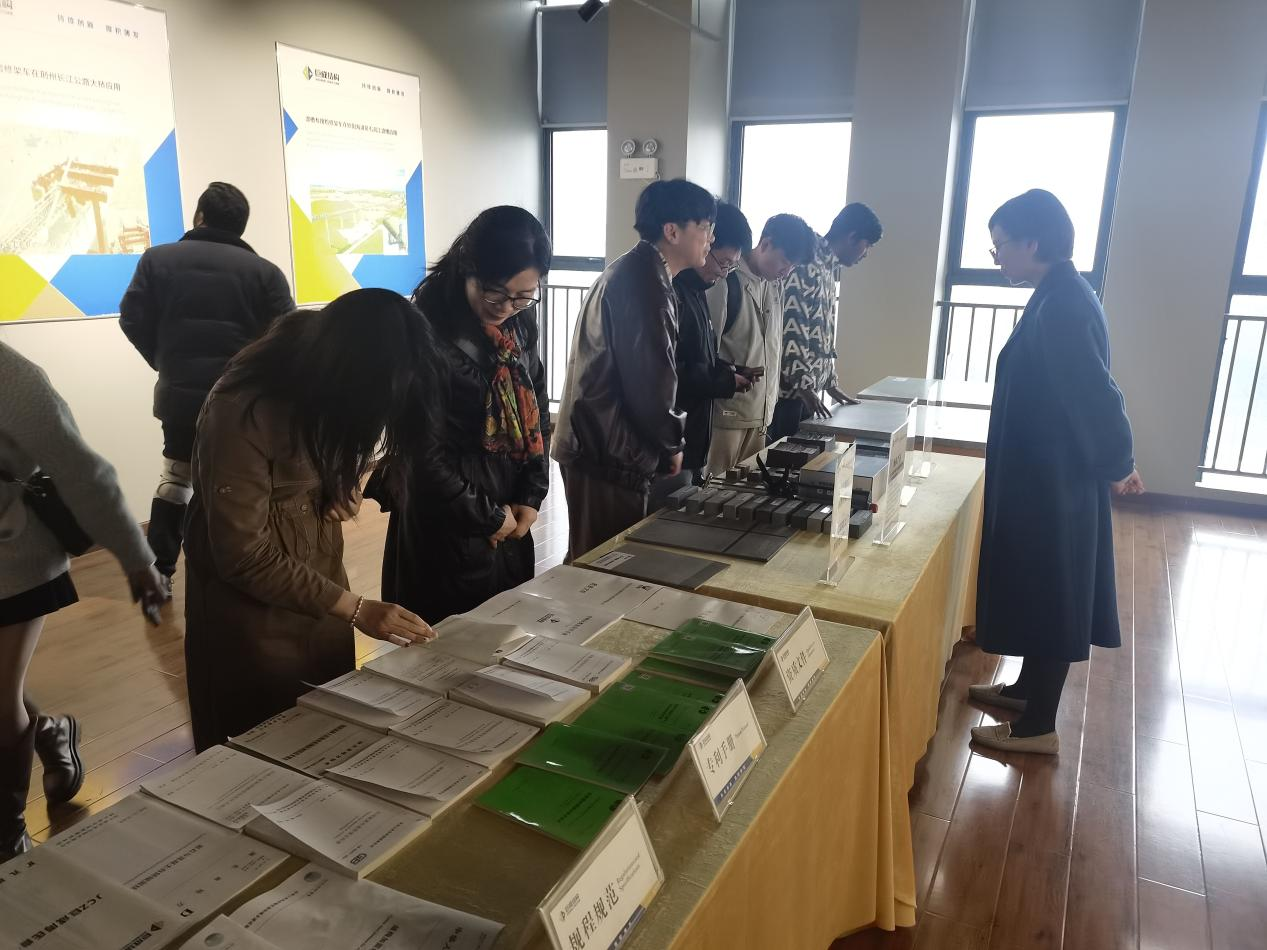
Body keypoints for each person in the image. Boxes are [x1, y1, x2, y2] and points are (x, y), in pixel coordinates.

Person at [182, 289, 436, 751]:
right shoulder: (242, 410)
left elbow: (341, 447)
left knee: (328, 729)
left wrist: (344, 485)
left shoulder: (328, 380)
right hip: (251, 615)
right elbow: (242, 554)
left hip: (320, 591)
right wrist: (358, 609)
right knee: (261, 742)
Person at [968, 190, 1143, 755]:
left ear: (1032, 242)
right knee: (1037, 585)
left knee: (1051, 592)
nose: (997, 256)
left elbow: (1095, 394)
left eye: (1000, 245)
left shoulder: (1064, 302)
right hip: (1041, 479)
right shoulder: (1056, 293)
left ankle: (1038, 726)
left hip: (1055, 485)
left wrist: (1119, 464)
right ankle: (1026, 691)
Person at [1, 342, 168, 860]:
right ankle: (50, 732)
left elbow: (80, 471)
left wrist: (137, 559)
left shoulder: (11, 375)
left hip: (12, 561)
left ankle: (6, 833)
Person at [369, 207, 552, 624]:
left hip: (508, 516)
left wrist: (531, 494)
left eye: (524, 296)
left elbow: (536, 412)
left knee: (505, 635)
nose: (508, 307)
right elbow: (421, 458)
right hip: (446, 530)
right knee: (447, 644)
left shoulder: (519, 323)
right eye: (496, 294)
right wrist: (489, 516)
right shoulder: (425, 333)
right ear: (468, 269)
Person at [120, 182, 296, 587]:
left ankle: (161, 572)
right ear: (241, 226)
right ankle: (242, 570)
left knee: (176, 477)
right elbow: (290, 336)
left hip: (179, 396)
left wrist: (165, 361)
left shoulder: (157, 259)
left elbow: (131, 318)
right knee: (242, 481)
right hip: (243, 401)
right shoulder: (265, 273)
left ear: (200, 216)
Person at [553, 178, 717, 559]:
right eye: (705, 227)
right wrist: (672, 442)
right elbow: (649, 383)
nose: (711, 238)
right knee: (603, 564)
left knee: (593, 557)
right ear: (672, 231)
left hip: (598, 442)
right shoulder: (645, 283)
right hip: (605, 449)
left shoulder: (638, 270)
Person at [655, 201, 756, 501]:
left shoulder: (697, 291)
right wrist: (724, 381)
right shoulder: (670, 292)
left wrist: (728, 370)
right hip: (670, 443)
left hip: (691, 440)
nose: (724, 273)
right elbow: (669, 374)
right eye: (723, 263)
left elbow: (696, 357)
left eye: (732, 267)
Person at [705, 213, 816, 475]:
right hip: (725, 417)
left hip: (762, 416)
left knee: (747, 492)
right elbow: (707, 353)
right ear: (765, 244)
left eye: (792, 267)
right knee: (714, 489)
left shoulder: (775, 287)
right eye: (785, 262)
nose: (786, 272)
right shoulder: (726, 280)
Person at [769, 202, 883, 442]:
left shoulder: (828, 267)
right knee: (783, 460)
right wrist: (804, 387)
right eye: (867, 245)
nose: (866, 253)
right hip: (788, 396)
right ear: (852, 237)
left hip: (807, 392)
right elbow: (792, 327)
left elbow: (820, 333)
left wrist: (830, 382)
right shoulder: (808, 262)